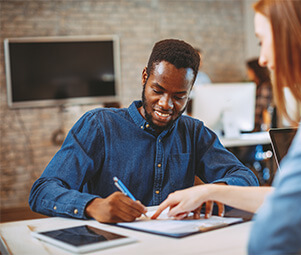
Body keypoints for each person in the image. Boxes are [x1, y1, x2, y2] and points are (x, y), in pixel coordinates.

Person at [152, 1, 301, 254]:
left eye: (262, 41)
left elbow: (273, 232)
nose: (263, 59)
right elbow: (285, 197)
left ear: (296, 38)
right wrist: (208, 191)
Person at [29, 39, 259, 223]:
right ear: (144, 77)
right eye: (157, 90)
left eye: (179, 96)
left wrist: (215, 191)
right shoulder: (99, 125)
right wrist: (93, 205)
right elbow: (42, 190)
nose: (166, 104)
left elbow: (247, 178)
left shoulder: (193, 132)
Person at [246, 57, 274, 132]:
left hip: (260, 128)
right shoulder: (255, 86)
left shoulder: (265, 87)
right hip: (252, 128)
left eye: (249, 70)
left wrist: (266, 129)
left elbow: (265, 109)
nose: (247, 73)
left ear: (256, 71)